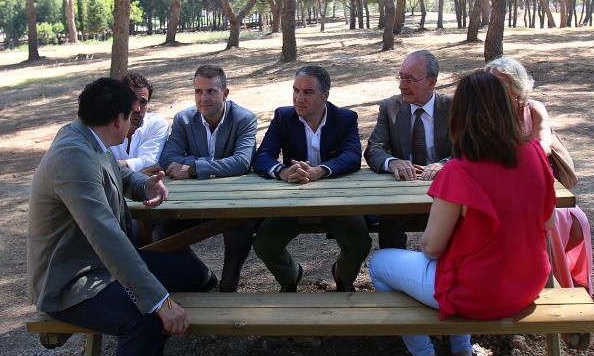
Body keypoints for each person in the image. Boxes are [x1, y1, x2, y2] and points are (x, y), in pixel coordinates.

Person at [28, 77, 213, 356]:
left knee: (190, 274)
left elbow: (118, 175)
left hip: (98, 266)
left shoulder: (86, 137)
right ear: (117, 120)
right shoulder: (73, 158)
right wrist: (161, 303)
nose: (136, 119)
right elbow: (108, 239)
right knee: (142, 319)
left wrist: (146, 184)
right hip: (72, 281)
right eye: (132, 114)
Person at [368, 70, 557, 356]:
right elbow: (548, 222)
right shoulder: (536, 154)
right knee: (459, 265)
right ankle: (461, 352)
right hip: (528, 284)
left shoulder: (459, 170)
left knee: (380, 263)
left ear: (460, 115)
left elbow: (431, 248)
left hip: (479, 293)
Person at [252, 65, 369, 292]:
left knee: (359, 242)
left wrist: (321, 170)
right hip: (293, 200)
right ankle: (291, 277)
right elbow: (262, 156)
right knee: (265, 244)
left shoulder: (345, 118)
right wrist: (283, 172)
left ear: (325, 96)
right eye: (295, 90)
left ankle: (343, 278)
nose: (299, 98)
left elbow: (353, 156)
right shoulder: (283, 116)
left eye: (307, 92)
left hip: (337, 201)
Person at [484, 56, 592, 294]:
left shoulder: (533, 108)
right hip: (498, 191)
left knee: (570, 219)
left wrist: (509, 157)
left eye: (499, 84)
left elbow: (544, 146)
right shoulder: (485, 115)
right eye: (489, 84)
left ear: (515, 86)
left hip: (537, 184)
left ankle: (554, 284)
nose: (493, 91)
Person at [157, 64, 258, 292]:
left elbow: (242, 162)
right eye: (198, 91)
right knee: (161, 232)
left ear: (225, 93)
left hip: (233, 200)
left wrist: (192, 168)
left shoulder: (244, 119)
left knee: (241, 224)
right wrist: (218, 164)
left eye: (211, 91)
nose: (204, 98)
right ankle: (201, 275)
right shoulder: (183, 120)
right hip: (192, 201)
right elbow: (168, 158)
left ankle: (229, 281)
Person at [364, 50, 453, 249]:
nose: (402, 85)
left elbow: (467, 151)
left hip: (445, 191)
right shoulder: (390, 107)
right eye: (401, 77)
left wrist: (444, 165)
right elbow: (374, 149)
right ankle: (394, 272)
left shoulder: (453, 107)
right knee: (389, 218)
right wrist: (392, 162)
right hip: (402, 189)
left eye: (410, 79)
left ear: (432, 82)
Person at [110, 72, 170, 173]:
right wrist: (142, 171)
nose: (137, 109)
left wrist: (113, 168)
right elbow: (98, 165)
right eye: (131, 101)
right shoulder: (106, 125)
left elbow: (150, 161)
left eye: (142, 102)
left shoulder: (156, 124)